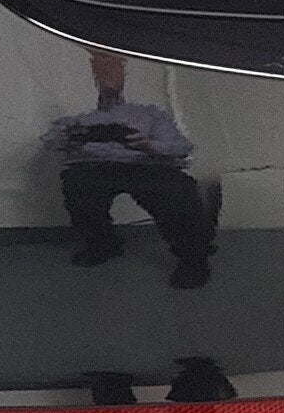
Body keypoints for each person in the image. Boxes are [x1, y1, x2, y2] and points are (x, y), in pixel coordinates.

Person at [43, 48, 215, 288]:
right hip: (97, 167)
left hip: (147, 165)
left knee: (177, 190)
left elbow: (181, 147)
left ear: (124, 74)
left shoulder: (150, 115)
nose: (107, 77)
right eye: (101, 71)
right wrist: (71, 137)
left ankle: (193, 260)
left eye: (114, 69)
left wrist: (149, 145)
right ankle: (102, 244)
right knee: (78, 184)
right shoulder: (81, 121)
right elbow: (50, 142)